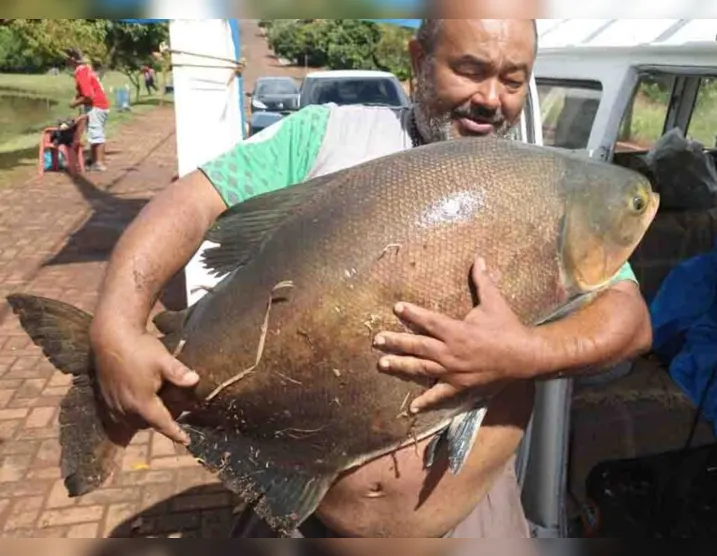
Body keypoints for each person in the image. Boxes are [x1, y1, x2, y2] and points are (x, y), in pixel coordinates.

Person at [89, 18, 652, 542]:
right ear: (419, 60)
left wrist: (522, 352)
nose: (490, 98)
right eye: (471, 70)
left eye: (513, 79)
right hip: (305, 517)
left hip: (473, 522)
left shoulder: (550, 189)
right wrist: (117, 328)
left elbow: (629, 323)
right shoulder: (323, 134)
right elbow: (186, 204)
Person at [66, 48, 109, 171]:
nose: (65, 60)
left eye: (67, 57)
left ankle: (99, 163)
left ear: (72, 59)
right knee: (93, 133)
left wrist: (74, 103)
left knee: (96, 133)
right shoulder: (84, 70)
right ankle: (94, 160)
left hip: (96, 106)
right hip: (98, 106)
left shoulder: (82, 72)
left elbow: (89, 96)